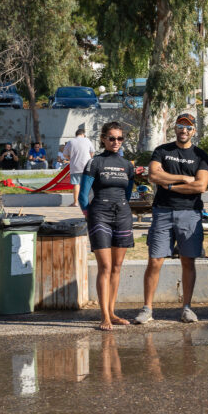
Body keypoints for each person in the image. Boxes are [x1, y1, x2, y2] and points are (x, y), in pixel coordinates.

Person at [134, 113, 208, 325]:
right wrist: (183, 178)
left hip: (190, 213)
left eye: (188, 127)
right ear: (175, 129)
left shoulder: (200, 155)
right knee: (155, 260)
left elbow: (201, 186)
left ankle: (187, 308)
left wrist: (169, 185)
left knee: (188, 261)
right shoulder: (162, 151)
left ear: (194, 130)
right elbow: (153, 175)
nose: (183, 130)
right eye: (180, 126)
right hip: (163, 212)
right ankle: (147, 308)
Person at [79, 122, 135, 330]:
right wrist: (89, 215)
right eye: (112, 138)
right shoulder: (94, 163)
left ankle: (112, 312)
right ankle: (104, 317)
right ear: (103, 139)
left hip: (122, 215)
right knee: (105, 266)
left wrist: (122, 209)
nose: (116, 142)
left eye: (119, 139)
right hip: (99, 215)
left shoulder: (127, 165)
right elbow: (83, 196)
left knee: (117, 267)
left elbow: (128, 194)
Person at [63, 127, 96, 207]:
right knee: (88, 184)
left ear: (76, 135)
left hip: (75, 166)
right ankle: (90, 202)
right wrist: (90, 158)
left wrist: (71, 158)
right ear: (83, 134)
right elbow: (92, 152)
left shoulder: (71, 142)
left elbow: (64, 154)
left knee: (76, 184)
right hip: (87, 166)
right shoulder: (87, 140)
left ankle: (76, 202)